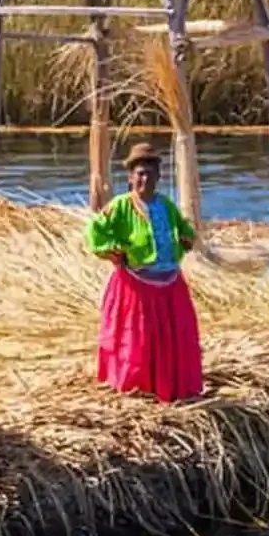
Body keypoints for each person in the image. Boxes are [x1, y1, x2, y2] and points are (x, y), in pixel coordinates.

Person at [86, 143, 203, 402]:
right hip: (136, 285)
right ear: (130, 177)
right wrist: (112, 250)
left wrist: (186, 238)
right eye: (139, 173)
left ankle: (169, 385)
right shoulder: (121, 206)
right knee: (137, 339)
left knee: (173, 338)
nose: (144, 178)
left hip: (169, 282)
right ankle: (136, 386)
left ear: (159, 177)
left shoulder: (166, 205)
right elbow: (96, 231)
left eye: (150, 173)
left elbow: (183, 227)